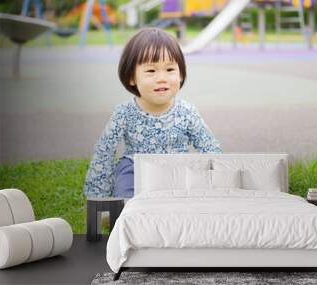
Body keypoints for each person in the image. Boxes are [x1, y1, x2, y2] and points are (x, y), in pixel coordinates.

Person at [84, 28, 222, 199]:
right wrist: (99, 197)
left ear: (180, 75)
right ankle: (127, 212)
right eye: (151, 71)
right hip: (135, 170)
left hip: (177, 169)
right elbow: (105, 150)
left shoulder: (187, 112)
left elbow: (210, 149)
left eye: (170, 69)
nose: (162, 78)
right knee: (125, 193)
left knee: (191, 193)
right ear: (131, 77)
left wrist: (218, 182)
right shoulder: (124, 113)